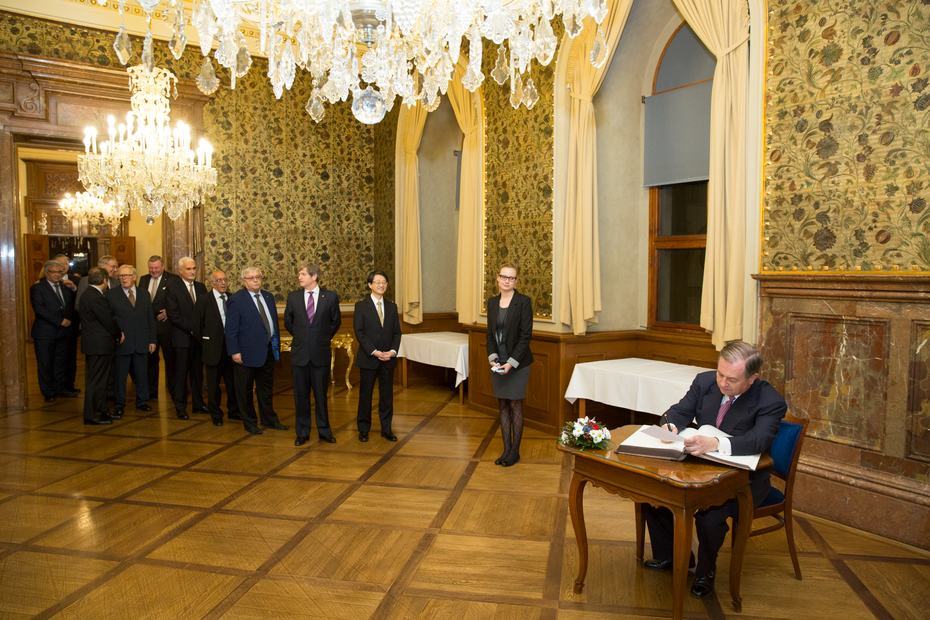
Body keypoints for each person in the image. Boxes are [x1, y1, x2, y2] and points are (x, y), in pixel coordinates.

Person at [641, 340, 787, 598]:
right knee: (652, 488)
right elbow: (678, 411)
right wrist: (670, 425)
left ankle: (705, 572)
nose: (723, 383)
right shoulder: (704, 381)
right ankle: (671, 555)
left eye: (732, 379)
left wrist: (716, 443)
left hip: (744, 479)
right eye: (720, 374)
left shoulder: (770, 400)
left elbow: (759, 440)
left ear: (752, 378)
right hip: (700, 466)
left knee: (710, 514)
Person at [225, 266, 289, 435]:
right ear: (243, 281)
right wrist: (234, 351)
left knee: (266, 389)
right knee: (245, 390)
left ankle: (269, 419)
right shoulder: (236, 300)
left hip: (268, 351)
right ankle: (250, 422)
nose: (255, 280)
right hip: (245, 353)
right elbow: (231, 329)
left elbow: (273, 324)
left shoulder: (268, 296)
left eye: (258, 277)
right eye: (251, 277)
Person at [284, 263, 341, 446]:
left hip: (320, 355)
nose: (299, 277)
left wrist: (321, 338)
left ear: (314, 276)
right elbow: (288, 322)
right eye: (299, 274)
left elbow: (335, 322)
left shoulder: (330, 297)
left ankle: (324, 431)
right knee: (300, 397)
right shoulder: (293, 297)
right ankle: (302, 433)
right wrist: (303, 337)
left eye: (302, 274)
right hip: (300, 355)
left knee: (321, 397)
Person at [486, 263, 533, 467]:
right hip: (499, 362)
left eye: (511, 278)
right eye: (504, 276)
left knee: (515, 405)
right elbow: (490, 334)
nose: (507, 280)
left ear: (516, 281)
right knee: (503, 405)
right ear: (497, 278)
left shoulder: (523, 302)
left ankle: (514, 452)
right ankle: (506, 450)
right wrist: (493, 357)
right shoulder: (492, 303)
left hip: (518, 363)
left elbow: (525, 336)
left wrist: (511, 363)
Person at [353, 270, 401, 442]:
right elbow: (359, 332)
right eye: (378, 282)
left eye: (384, 282)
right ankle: (363, 429)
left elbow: (397, 333)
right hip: (369, 358)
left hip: (388, 359)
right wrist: (374, 351)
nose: (381, 285)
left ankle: (386, 429)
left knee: (387, 396)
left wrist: (392, 352)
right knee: (365, 395)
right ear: (370, 285)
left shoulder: (392, 306)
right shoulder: (361, 306)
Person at [107, 265, 156, 418]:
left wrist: (152, 340)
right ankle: (119, 404)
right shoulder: (111, 294)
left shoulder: (144, 294)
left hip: (142, 341)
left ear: (134, 277)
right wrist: (116, 335)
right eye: (121, 276)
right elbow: (109, 319)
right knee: (120, 376)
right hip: (122, 342)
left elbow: (150, 318)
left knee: (142, 374)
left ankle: (142, 401)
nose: (124, 278)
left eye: (127, 275)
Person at [165, 256, 208, 419]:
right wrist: (192, 329)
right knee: (181, 374)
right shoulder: (173, 287)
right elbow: (173, 314)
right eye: (188, 269)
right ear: (180, 271)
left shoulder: (201, 287)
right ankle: (180, 407)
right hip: (181, 338)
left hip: (198, 340)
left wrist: (200, 331)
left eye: (194, 268)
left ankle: (198, 404)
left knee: (197, 374)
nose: (192, 271)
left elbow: (205, 312)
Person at [30, 259, 78, 402]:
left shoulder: (65, 287)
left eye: (60, 272)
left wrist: (74, 289)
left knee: (60, 363)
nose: (57, 275)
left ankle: (60, 388)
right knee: (45, 363)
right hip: (45, 333)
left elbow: (71, 305)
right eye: (53, 272)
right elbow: (39, 309)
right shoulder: (38, 288)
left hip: (64, 332)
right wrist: (59, 321)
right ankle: (48, 392)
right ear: (46, 273)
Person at [80, 267, 121, 424]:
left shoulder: (88, 294)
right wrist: (119, 334)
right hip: (99, 345)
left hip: (95, 344)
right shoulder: (96, 297)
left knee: (99, 380)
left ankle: (102, 411)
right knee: (96, 381)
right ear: (104, 280)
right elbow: (108, 320)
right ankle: (92, 415)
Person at [200, 270, 240, 426]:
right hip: (212, 350)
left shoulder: (233, 298)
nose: (223, 283)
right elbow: (197, 326)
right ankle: (215, 414)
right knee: (213, 385)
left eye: (225, 280)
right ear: (212, 283)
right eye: (219, 280)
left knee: (232, 383)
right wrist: (207, 343)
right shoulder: (204, 300)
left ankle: (234, 411)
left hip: (231, 349)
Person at [138, 255, 175, 400]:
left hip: (166, 328)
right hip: (148, 328)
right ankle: (151, 392)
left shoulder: (172, 279)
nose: (153, 270)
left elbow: (179, 300)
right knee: (150, 361)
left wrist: (169, 312)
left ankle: (173, 390)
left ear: (163, 267)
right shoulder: (143, 279)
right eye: (151, 268)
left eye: (156, 268)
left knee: (170, 360)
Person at [53, 254, 80, 395]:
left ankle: (70, 385)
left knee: (71, 357)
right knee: (56, 358)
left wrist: (74, 288)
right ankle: (56, 387)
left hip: (72, 326)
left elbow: (81, 300)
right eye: (61, 263)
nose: (64, 266)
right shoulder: (48, 280)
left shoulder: (76, 280)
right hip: (53, 327)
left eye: (66, 263)